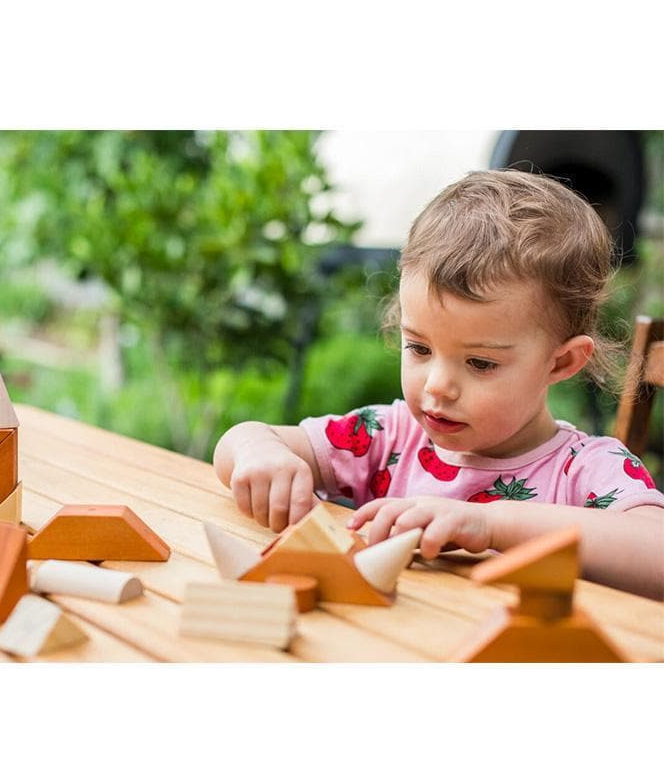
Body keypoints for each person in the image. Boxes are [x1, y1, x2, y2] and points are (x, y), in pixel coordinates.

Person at [213, 170, 664, 600]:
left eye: (480, 363)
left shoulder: (584, 470)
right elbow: (244, 439)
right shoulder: (388, 438)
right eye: (420, 349)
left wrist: (491, 524)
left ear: (561, 362)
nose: (438, 386)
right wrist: (259, 454)